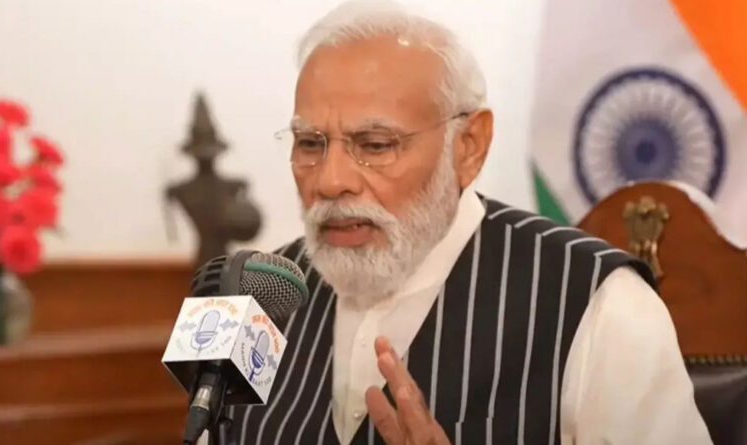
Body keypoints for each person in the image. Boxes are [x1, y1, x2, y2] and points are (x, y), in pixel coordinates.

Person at [227, 1, 713, 443]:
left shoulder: (598, 301)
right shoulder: (256, 295)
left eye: (375, 145)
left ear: (468, 147)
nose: (330, 181)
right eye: (310, 144)